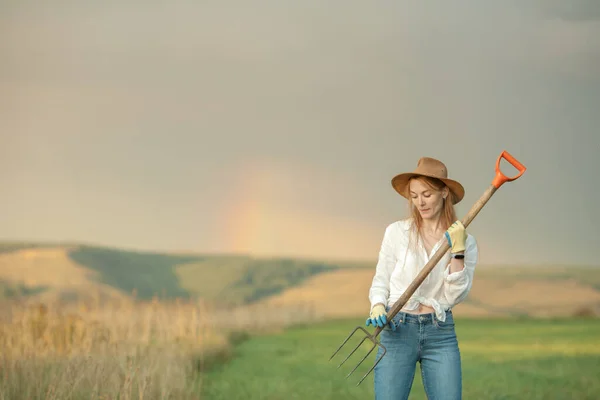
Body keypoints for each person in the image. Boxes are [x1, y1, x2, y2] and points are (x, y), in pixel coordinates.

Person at [365, 156, 478, 400]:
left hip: (440, 332)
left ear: (444, 192)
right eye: (414, 196)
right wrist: (376, 305)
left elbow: (455, 295)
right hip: (397, 328)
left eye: (426, 194)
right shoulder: (397, 232)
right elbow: (381, 278)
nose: (420, 202)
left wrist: (457, 251)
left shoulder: (465, 241)